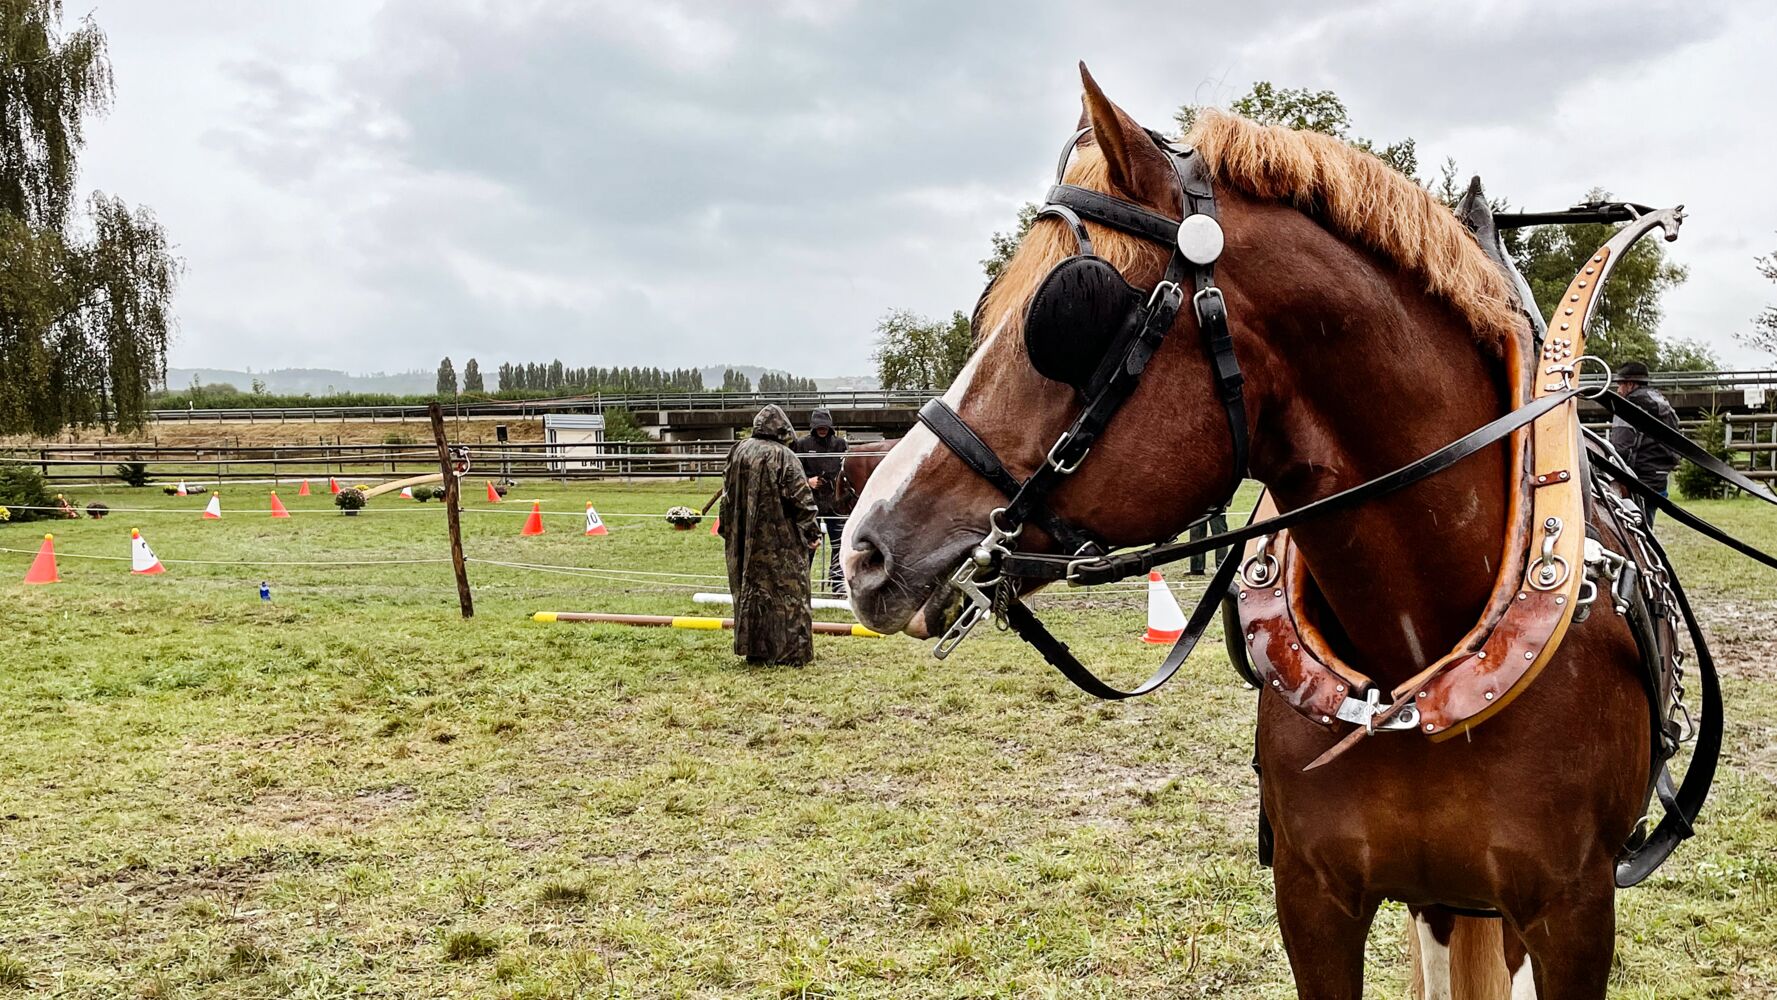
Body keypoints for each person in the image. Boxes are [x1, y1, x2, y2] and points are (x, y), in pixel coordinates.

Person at [719, 405, 821, 665]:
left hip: (744, 539)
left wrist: (727, 529)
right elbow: (801, 499)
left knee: (750, 592)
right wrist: (812, 532)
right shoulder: (784, 457)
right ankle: (791, 653)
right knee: (789, 594)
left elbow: (726, 495)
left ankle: (755, 650)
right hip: (781, 541)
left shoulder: (738, 451)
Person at [1608, 361, 1682, 527]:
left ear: (1630, 384)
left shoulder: (1628, 406)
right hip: (1659, 478)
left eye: (1620, 384)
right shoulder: (1662, 403)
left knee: (1631, 528)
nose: (1618, 390)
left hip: (1637, 478)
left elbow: (1621, 447)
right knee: (1647, 524)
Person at [792, 407, 849, 593]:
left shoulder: (840, 444)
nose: (822, 429)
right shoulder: (802, 444)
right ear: (813, 427)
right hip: (810, 503)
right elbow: (793, 471)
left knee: (838, 544)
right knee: (808, 543)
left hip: (834, 502)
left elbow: (845, 469)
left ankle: (838, 584)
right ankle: (803, 584)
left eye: (825, 426)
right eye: (819, 427)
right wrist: (808, 481)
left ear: (830, 427)